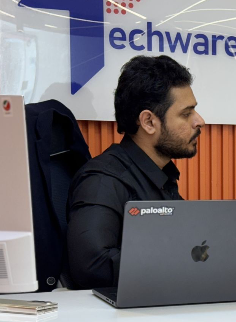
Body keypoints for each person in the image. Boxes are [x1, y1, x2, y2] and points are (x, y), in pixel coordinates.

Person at [66, 55, 205, 289]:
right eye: (186, 113)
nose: (199, 121)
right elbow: (92, 267)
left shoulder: (163, 177)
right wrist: (177, 260)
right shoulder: (102, 182)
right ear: (148, 122)